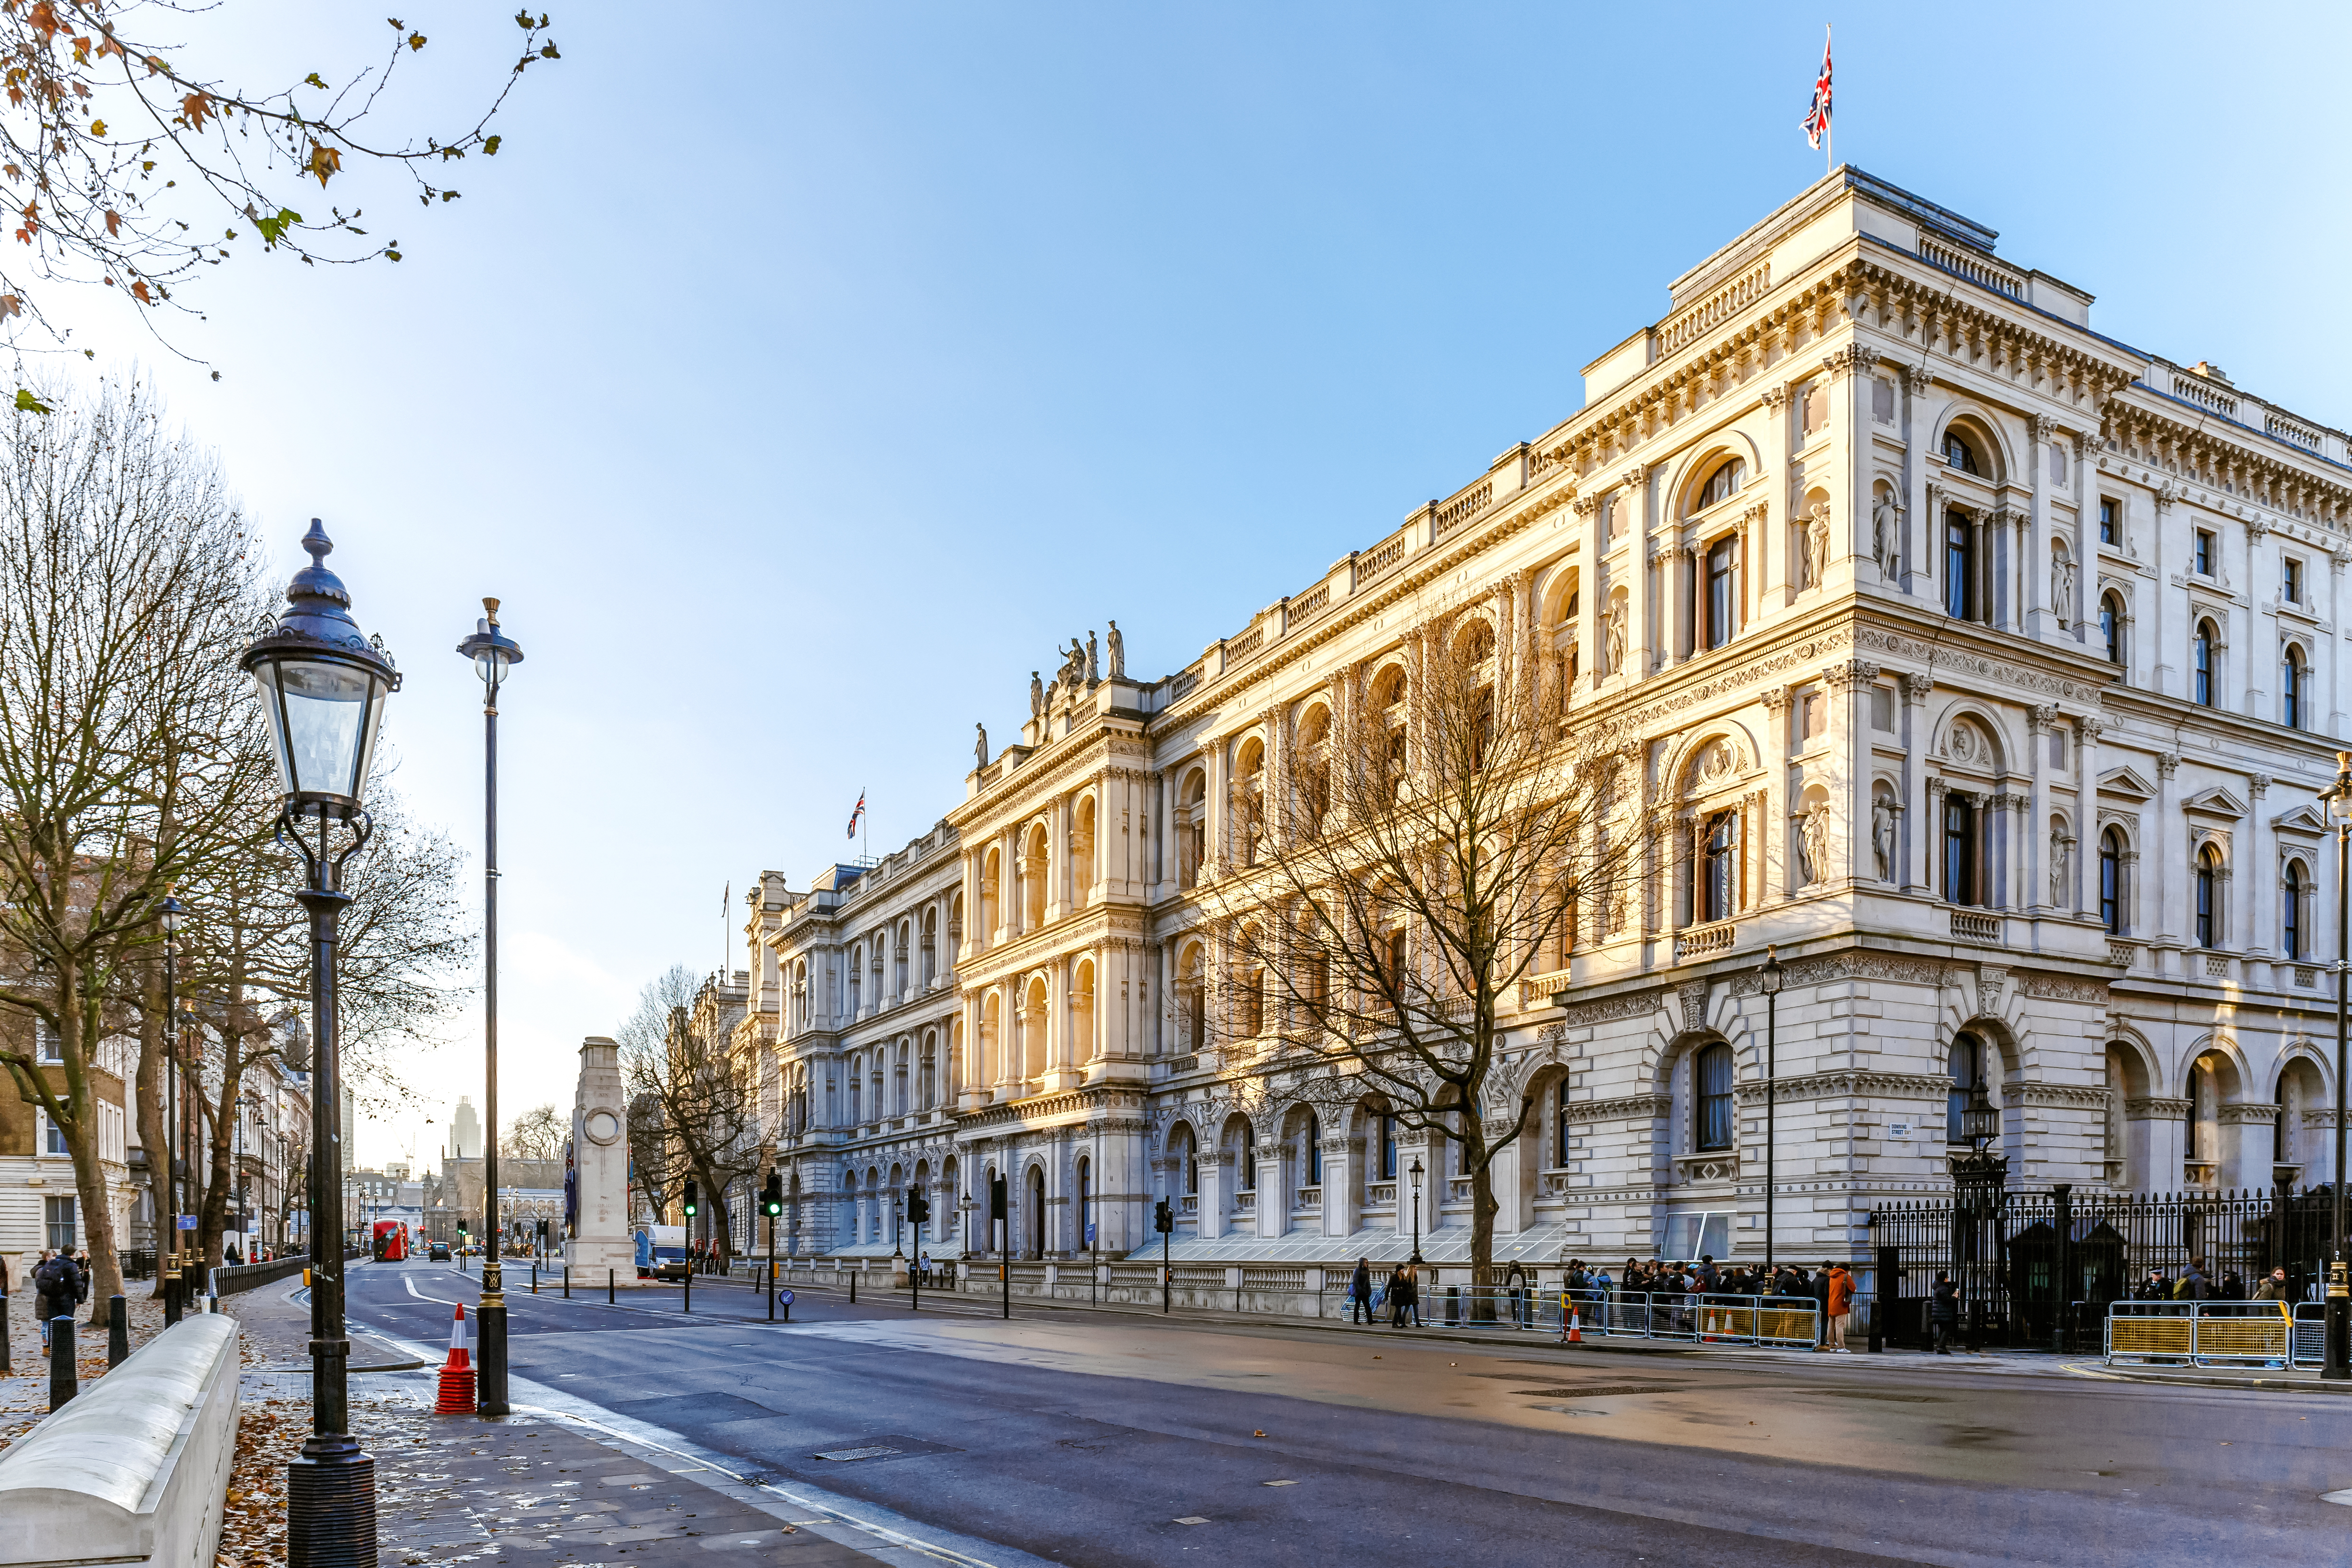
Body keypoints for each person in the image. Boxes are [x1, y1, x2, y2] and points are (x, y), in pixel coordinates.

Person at [1824, 1261, 1854, 1353]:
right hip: (1840, 1304)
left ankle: (1832, 1346)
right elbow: (1853, 1288)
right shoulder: (1845, 1276)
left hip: (1831, 1303)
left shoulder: (1831, 1276)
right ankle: (1841, 1347)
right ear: (1847, 1270)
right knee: (1840, 1326)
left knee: (1831, 1326)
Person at [1929, 1271, 1960, 1355]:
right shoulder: (1943, 1288)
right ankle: (1941, 1347)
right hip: (1943, 1313)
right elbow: (1948, 1300)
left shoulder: (1938, 1287)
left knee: (1943, 1330)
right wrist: (1955, 1296)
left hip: (1938, 1313)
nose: (1948, 1279)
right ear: (1945, 1278)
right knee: (1947, 1329)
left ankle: (1940, 1346)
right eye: (1947, 1277)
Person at [1349, 1257, 1373, 1326]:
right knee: (1357, 1306)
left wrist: (1369, 1290)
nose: (1367, 1264)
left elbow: (1368, 1282)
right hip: (1359, 1292)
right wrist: (1360, 1290)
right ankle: (1356, 1321)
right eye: (1366, 1263)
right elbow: (1356, 1282)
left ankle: (1370, 1320)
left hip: (1365, 1292)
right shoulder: (1357, 1270)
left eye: (1368, 1263)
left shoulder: (1367, 1271)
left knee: (1368, 1306)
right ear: (1362, 1263)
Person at [1387, 1264, 1409, 1328]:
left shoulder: (1403, 1277)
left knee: (1398, 1309)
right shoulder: (1393, 1277)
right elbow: (1389, 1286)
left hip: (1401, 1295)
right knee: (1398, 1309)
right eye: (1402, 1269)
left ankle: (1394, 1323)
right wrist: (1386, 1296)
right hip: (1395, 1295)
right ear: (1399, 1270)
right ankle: (1401, 1322)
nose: (1403, 1270)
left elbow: (1406, 1286)